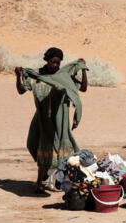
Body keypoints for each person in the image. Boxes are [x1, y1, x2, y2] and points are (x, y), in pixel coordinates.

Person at [14, 47, 88, 193]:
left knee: (60, 148)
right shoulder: (37, 76)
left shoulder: (64, 76)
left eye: (58, 63)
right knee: (36, 145)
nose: (55, 65)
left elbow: (83, 88)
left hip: (60, 118)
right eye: (52, 62)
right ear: (46, 60)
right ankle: (45, 175)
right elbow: (21, 90)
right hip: (42, 118)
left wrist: (83, 69)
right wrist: (18, 76)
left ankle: (45, 182)